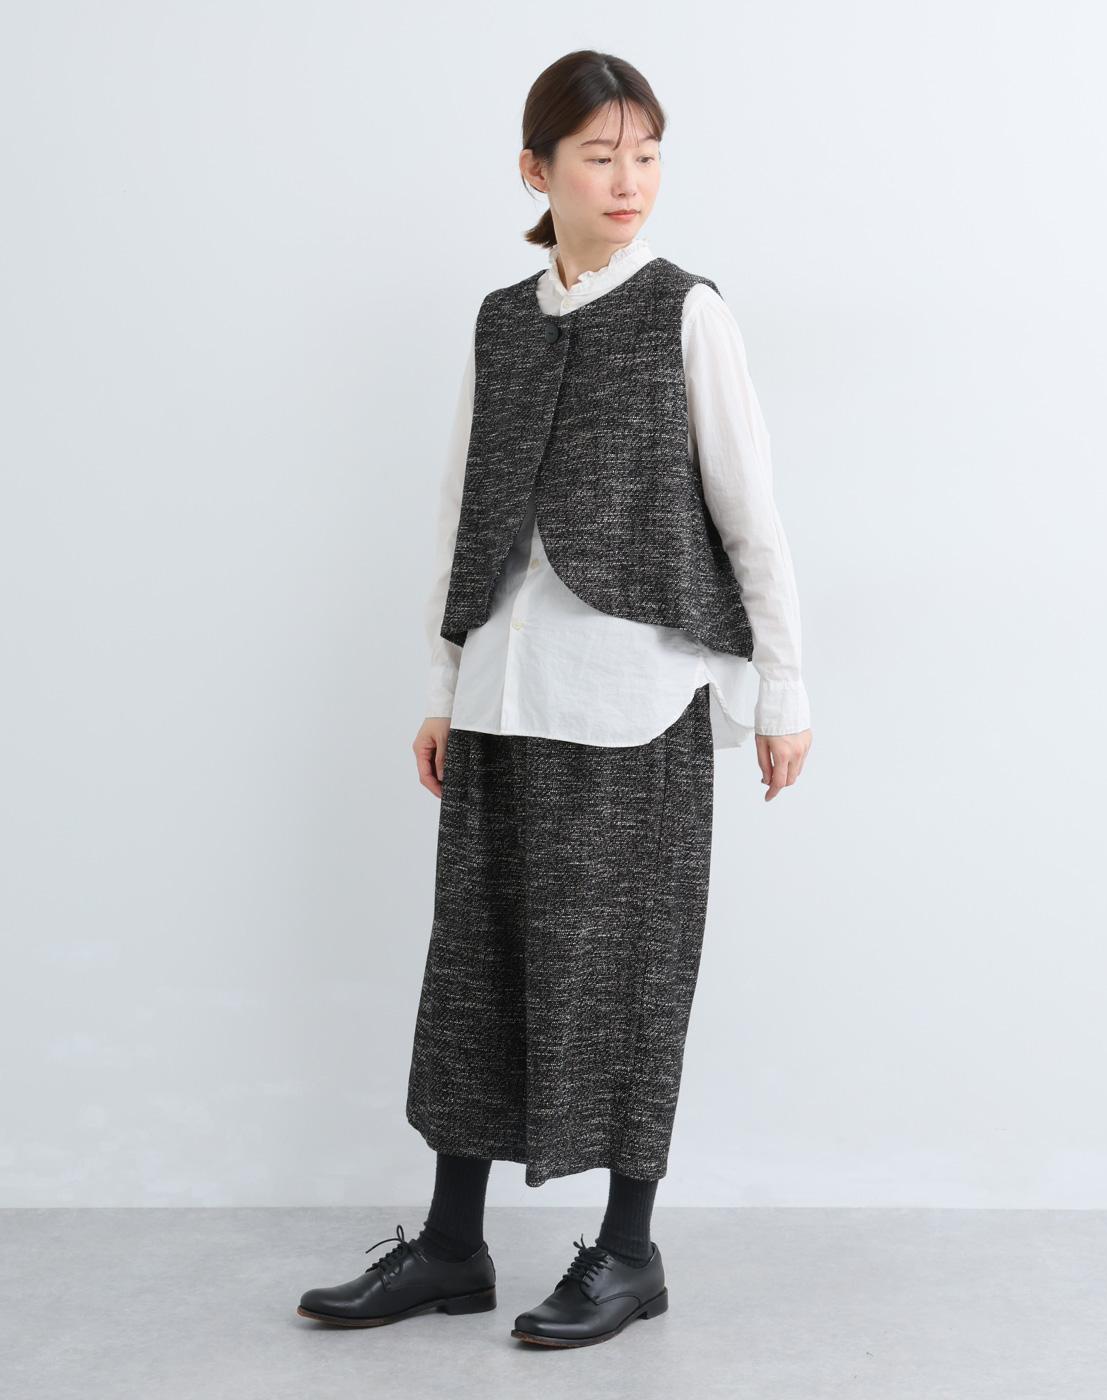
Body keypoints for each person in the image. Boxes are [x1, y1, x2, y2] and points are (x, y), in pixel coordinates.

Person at [296, 49, 812, 1349]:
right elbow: (461, 510)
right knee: (474, 971)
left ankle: (628, 1254)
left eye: (646, 154)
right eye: (599, 155)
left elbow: (753, 515)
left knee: (628, 975)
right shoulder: (500, 320)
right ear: (537, 171)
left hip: (637, 702)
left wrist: (784, 694)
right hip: (501, 692)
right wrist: (442, 684)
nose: (629, 180)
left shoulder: (687, 312)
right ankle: (452, 1248)